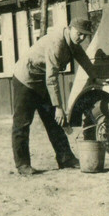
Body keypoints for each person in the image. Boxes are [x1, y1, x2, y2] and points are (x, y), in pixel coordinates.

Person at [12, 16, 98, 175]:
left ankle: (65, 158)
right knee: (22, 124)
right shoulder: (57, 43)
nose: (82, 37)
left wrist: (95, 77)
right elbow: (52, 78)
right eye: (79, 33)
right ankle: (22, 165)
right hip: (26, 79)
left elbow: (83, 59)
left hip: (42, 81)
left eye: (85, 35)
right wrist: (58, 107)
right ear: (70, 27)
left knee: (55, 122)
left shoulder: (72, 42)